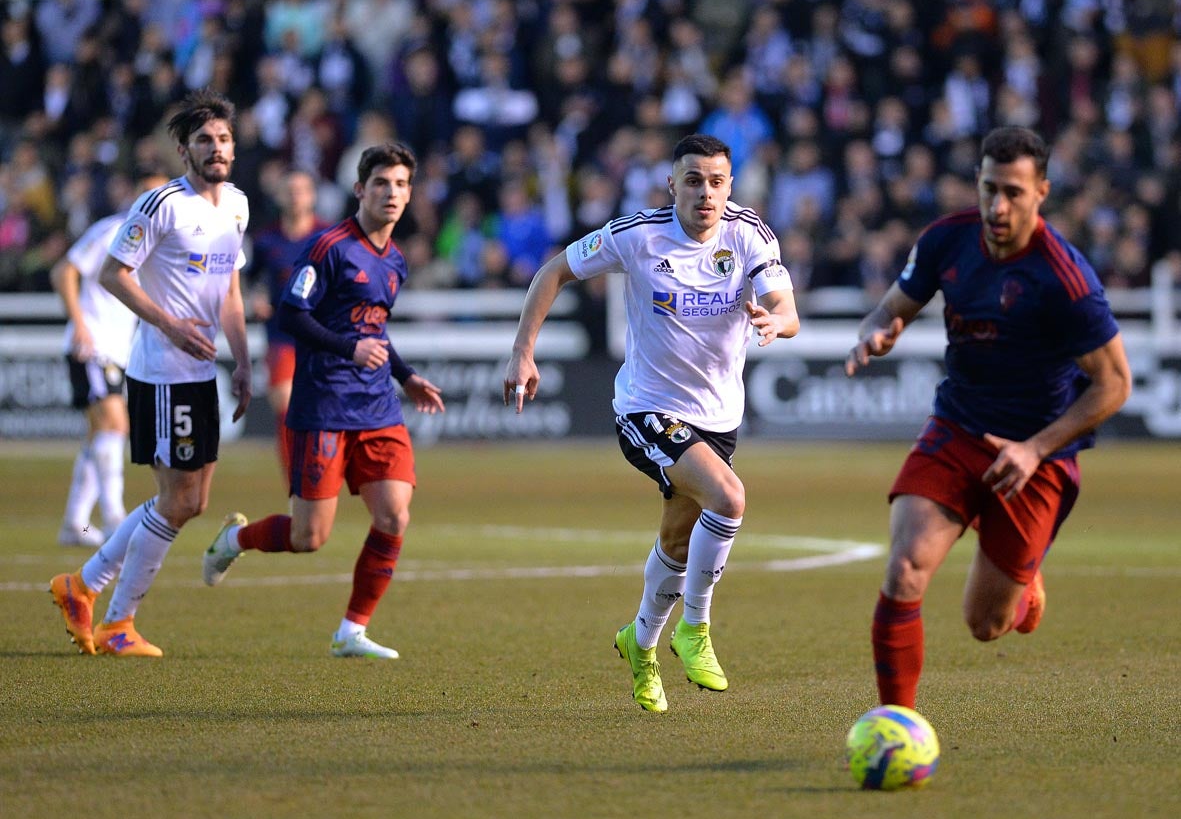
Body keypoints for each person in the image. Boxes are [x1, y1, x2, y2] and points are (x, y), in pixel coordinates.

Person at [503, 133, 800, 712]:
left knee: (677, 540)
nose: (705, 193)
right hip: (646, 408)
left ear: (730, 186)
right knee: (730, 498)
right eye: (693, 180)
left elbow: (786, 307)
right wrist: (523, 351)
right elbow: (552, 273)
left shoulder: (749, 234)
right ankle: (696, 628)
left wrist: (776, 322)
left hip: (718, 417)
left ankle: (639, 644)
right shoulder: (636, 236)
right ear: (672, 184)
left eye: (716, 181)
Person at [844, 126, 1132, 710]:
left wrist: (1035, 448)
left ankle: (1025, 590)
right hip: (956, 428)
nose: (997, 206)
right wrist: (878, 330)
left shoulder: (1065, 278)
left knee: (986, 624)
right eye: (988, 188)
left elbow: (1115, 383)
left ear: (1042, 193)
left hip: (1036, 455)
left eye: (1014, 193)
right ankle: (895, 724)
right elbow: (890, 308)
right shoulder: (947, 241)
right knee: (903, 571)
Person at [202, 142, 445, 659]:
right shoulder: (329, 246)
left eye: (402, 184)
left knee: (394, 515)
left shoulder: (396, 261)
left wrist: (405, 376)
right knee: (309, 536)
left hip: (377, 405)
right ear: (360, 189)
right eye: (382, 183)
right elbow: (292, 314)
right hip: (326, 405)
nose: (392, 193)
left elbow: (375, 331)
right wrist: (347, 348)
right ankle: (234, 541)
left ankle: (351, 630)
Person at [49, 89, 252, 657]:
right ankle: (116, 621)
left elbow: (230, 290)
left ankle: (82, 587)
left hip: (202, 369)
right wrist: (165, 322)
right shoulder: (161, 204)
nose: (216, 148)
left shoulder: (235, 204)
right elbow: (113, 274)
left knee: (193, 499)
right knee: (178, 498)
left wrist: (242, 359)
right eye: (205, 140)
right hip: (161, 372)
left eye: (224, 139)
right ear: (184, 148)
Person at [50, 171, 168, 547]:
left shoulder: (156, 245)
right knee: (115, 424)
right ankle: (115, 516)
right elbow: (64, 270)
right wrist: (80, 323)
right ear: (135, 197)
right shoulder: (112, 230)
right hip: (93, 344)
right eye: (148, 194)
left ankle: (76, 524)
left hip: (117, 349)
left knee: (98, 433)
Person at [247, 168, 326, 476]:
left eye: (301, 190)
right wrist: (256, 298)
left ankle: (317, 474)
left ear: (312, 196)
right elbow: (252, 282)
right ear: (279, 196)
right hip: (281, 334)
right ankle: (295, 480)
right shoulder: (266, 240)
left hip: (320, 336)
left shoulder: (327, 236)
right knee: (284, 401)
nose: (295, 196)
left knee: (317, 409)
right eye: (289, 190)